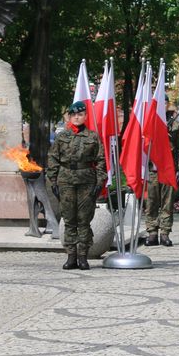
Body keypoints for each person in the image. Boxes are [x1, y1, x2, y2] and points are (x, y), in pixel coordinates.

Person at [47, 101, 106, 270]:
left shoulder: (92, 137)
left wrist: (99, 181)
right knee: (69, 219)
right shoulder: (61, 137)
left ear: (85, 116)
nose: (77, 117)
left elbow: (101, 160)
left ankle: (82, 256)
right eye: (74, 115)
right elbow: (53, 159)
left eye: (80, 115)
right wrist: (53, 180)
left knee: (84, 219)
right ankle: (71, 256)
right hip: (65, 180)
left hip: (86, 180)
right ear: (69, 117)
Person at [145, 103, 179, 247]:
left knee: (167, 203)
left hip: (168, 169)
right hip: (152, 169)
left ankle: (164, 233)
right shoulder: (148, 122)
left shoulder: (175, 125)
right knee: (151, 202)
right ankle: (152, 233)